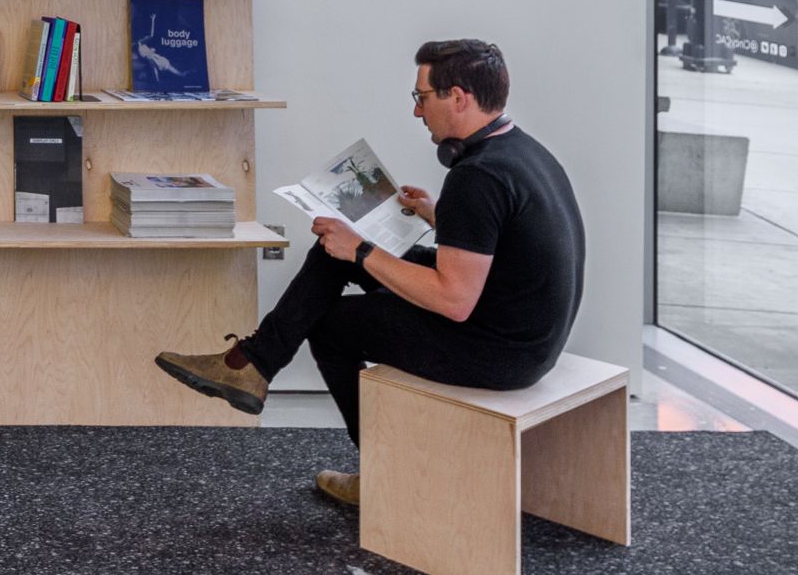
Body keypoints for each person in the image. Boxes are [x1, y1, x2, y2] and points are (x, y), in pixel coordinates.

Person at [155, 38, 585, 510]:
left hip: (500, 350)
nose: (418, 112)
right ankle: (252, 363)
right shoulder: (520, 152)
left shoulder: (476, 177)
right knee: (332, 252)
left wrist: (360, 249)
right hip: (525, 330)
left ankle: (384, 476)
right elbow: (508, 242)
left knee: (332, 324)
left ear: (458, 97)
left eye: (422, 98)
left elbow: (453, 301)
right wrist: (437, 216)